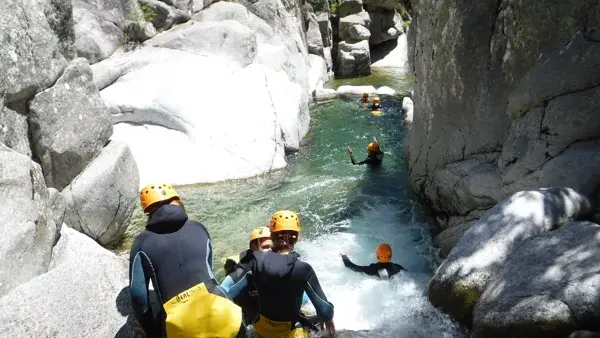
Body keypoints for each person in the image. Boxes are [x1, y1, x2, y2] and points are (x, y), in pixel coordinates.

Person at [129, 183, 246, 338]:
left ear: (148, 212)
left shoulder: (141, 243)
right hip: (224, 311)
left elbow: (138, 298)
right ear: (177, 201)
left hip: (180, 324)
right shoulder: (199, 228)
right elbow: (208, 271)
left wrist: (152, 331)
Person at [221, 210, 336, 338]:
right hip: (290, 333)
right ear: (296, 238)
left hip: (261, 329)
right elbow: (325, 311)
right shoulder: (303, 269)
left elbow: (226, 292)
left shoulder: (254, 262)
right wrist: (328, 317)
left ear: (272, 235)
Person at [222, 226, 274, 325]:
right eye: (266, 247)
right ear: (254, 247)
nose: (272, 252)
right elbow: (221, 293)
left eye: (273, 247)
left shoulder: (280, 261)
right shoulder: (243, 271)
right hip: (247, 313)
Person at [339, 243, 405, 279]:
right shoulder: (397, 267)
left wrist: (343, 254)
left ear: (377, 256)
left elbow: (350, 265)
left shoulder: (372, 269)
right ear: (390, 255)